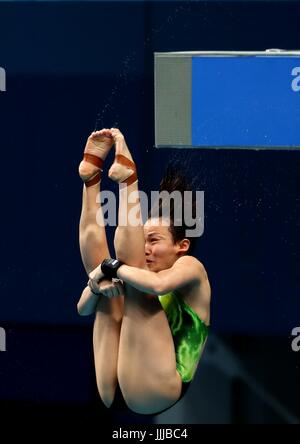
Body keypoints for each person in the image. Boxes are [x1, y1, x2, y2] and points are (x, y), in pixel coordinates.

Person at [77, 128, 211, 415]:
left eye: (153, 240)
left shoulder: (192, 268)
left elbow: (158, 286)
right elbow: (83, 309)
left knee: (131, 281)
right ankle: (91, 182)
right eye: (143, 240)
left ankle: (129, 182)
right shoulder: (135, 273)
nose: (146, 248)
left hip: (160, 389)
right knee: (109, 283)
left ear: (182, 245)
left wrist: (111, 269)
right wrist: (96, 282)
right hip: (112, 385)